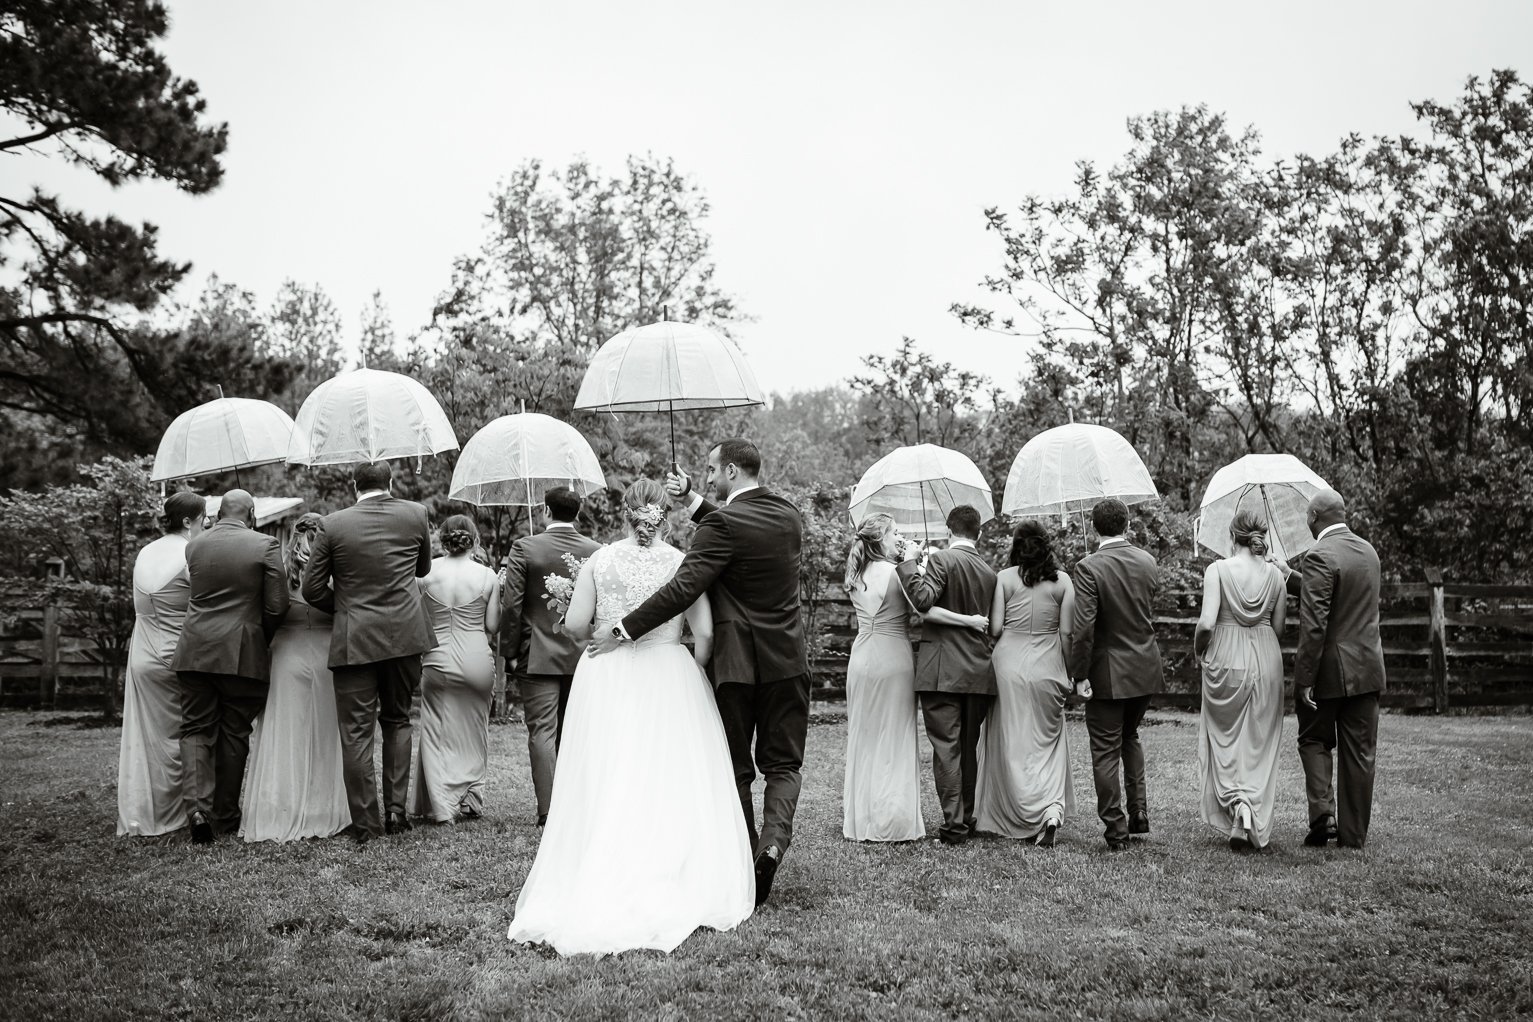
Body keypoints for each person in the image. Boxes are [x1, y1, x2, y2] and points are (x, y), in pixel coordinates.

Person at [507, 479, 754, 955]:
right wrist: (689, 668)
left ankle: (604, 860)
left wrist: (594, 639)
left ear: (626, 515)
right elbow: (704, 634)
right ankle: (669, 867)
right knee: (667, 773)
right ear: (666, 516)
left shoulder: (601, 559)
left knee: (608, 767)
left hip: (608, 675)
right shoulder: (683, 562)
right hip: (670, 673)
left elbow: (577, 625)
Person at [588, 438, 808, 907]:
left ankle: (747, 857)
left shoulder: (723, 524)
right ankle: (772, 845)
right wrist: (690, 497)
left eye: (710, 471)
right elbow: (735, 525)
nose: (706, 477)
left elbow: (684, 586)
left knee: (736, 767)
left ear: (730, 470)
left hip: (737, 665)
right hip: (788, 660)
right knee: (784, 764)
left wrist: (623, 628)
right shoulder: (788, 516)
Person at [302, 461, 436, 842]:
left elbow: (312, 590)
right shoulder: (416, 514)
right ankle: (396, 813)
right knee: (397, 720)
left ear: (353, 484)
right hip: (406, 636)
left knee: (356, 733)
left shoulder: (332, 524)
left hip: (355, 639)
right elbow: (422, 568)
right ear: (390, 483)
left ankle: (367, 825)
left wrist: (345, 608)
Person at [170, 489, 289, 844]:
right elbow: (278, 606)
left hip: (194, 650)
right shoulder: (266, 546)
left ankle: (195, 809)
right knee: (234, 731)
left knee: (194, 729)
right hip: (241, 652)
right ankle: (224, 815)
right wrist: (257, 635)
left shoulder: (194, 547)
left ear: (218, 514)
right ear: (251, 513)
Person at [1280, 488, 1386, 849]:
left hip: (1328, 672)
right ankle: (1353, 836)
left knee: (1313, 739)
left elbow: (1315, 623)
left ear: (1313, 519)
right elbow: (1343, 594)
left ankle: (1323, 815)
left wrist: (1304, 679)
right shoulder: (1368, 552)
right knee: (1360, 753)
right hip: (1368, 669)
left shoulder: (1320, 554)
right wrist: (1290, 575)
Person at [241, 513, 349, 843]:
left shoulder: (280, 571)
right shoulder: (334, 573)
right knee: (322, 734)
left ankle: (280, 808)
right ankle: (321, 808)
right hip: (325, 660)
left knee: (285, 733)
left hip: (286, 658)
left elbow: (268, 612)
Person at [499, 486, 601, 826]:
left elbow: (512, 606)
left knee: (542, 731)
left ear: (546, 511)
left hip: (537, 655)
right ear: (578, 511)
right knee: (576, 731)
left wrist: (509, 652)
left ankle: (548, 811)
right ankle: (578, 806)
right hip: (582, 655)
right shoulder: (596, 551)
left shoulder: (525, 548)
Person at [897, 505, 998, 847]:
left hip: (943, 671)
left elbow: (923, 601)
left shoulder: (942, 560)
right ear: (979, 533)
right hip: (979, 671)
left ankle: (954, 826)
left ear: (949, 530)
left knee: (946, 748)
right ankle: (966, 818)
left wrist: (911, 564)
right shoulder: (989, 571)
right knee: (967, 747)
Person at [1068, 498, 1164, 851]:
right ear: (1127, 525)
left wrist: (1079, 674)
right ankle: (1138, 811)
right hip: (1145, 666)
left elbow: (1084, 629)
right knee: (1130, 736)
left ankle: (1116, 829)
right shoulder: (1147, 561)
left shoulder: (1088, 567)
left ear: (1095, 527)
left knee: (1105, 750)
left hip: (1109, 671)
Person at [975, 520, 1077, 847]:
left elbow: (995, 628)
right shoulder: (1063, 582)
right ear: (1046, 544)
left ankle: (1015, 810)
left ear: (1016, 546)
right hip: (1049, 663)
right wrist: (1071, 672)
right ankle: (1050, 810)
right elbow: (1067, 633)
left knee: (1011, 740)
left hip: (1009, 665)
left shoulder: (1004, 578)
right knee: (1046, 741)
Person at [1193, 509, 1286, 852]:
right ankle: (1246, 810)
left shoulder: (1217, 570)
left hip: (1226, 658)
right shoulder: (1277, 576)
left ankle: (1238, 806)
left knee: (1225, 737)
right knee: (1258, 740)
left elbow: (1205, 624)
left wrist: (1199, 651)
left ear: (1232, 537)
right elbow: (1279, 628)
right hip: (1266, 657)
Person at [117, 491, 206, 837]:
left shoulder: (146, 552)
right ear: (187, 521)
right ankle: (184, 812)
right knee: (186, 735)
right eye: (204, 517)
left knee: (147, 738)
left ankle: (142, 813)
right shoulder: (189, 554)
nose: (207, 522)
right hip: (176, 655)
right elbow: (204, 602)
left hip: (142, 656)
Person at [840, 514, 924, 843]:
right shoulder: (896, 572)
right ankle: (893, 819)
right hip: (893, 658)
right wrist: (915, 562)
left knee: (865, 736)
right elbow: (921, 606)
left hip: (861, 658)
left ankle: (863, 817)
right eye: (895, 533)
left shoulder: (856, 573)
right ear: (881, 539)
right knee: (896, 735)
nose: (899, 537)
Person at [412, 515, 500, 824]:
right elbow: (492, 626)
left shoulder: (425, 574)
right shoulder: (488, 576)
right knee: (475, 732)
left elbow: (418, 619)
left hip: (437, 658)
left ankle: (442, 807)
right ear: (473, 540)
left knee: (436, 732)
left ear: (442, 539)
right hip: (477, 659)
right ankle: (470, 800)